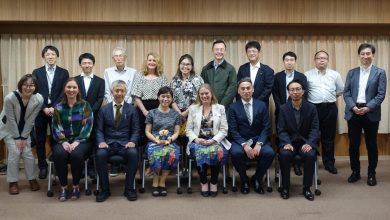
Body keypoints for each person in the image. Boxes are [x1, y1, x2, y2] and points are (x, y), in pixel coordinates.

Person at [343, 43, 387, 186]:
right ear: (359, 55)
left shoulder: (380, 72)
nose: (365, 56)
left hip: (371, 113)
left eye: (368, 54)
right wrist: (353, 106)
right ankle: (355, 172)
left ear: (373, 55)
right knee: (353, 145)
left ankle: (371, 173)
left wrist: (368, 107)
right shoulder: (352, 72)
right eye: (363, 54)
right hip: (353, 112)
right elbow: (347, 93)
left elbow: (381, 95)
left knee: (371, 145)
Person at [95, 80, 140, 202]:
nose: (119, 93)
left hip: (125, 144)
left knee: (133, 153)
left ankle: (129, 189)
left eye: (122, 91)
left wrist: (133, 141)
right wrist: (101, 142)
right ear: (111, 92)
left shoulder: (131, 109)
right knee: (99, 154)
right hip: (108, 144)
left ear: (126, 92)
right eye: (116, 90)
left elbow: (136, 130)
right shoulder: (104, 109)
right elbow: (98, 130)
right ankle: (104, 190)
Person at [228, 78, 275, 195]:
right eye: (242, 89)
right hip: (240, 141)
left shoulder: (262, 105)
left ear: (253, 89)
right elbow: (233, 130)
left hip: (258, 140)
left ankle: (257, 178)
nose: (246, 91)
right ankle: (244, 180)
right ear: (238, 91)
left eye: (248, 88)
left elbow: (266, 127)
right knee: (236, 153)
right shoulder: (233, 107)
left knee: (269, 153)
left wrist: (259, 144)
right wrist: (244, 145)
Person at [0, 74, 43, 194]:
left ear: (35, 87)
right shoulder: (10, 98)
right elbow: (11, 119)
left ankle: (32, 178)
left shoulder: (39, 99)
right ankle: (13, 181)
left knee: (27, 152)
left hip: (25, 129)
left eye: (31, 85)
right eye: (25, 85)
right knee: (14, 151)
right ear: (20, 85)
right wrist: (17, 138)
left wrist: (23, 137)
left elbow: (31, 120)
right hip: (8, 128)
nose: (28, 88)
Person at [52, 78, 93, 201]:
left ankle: (75, 186)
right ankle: (64, 187)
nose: (71, 90)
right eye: (69, 87)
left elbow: (88, 125)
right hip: (62, 140)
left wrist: (77, 141)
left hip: (82, 140)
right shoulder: (58, 107)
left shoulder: (85, 105)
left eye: (74, 87)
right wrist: (64, 141)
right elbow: (55, 126)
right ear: (64, 89)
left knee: (76, 155)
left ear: (78, 90)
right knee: (59, 154)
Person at [278, 79, 319, 201]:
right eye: (292, 90)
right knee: (284, 154)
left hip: (305, 142)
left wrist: (310, 143)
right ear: (289, 93)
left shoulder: (311, 108)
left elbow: (315, 128)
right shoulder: (283, 108)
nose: (295, 92)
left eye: (298, 89)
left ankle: (306, 188)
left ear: (303, 91)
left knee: (310, 155)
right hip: (289, 142)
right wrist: (286, 143)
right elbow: (281, 129)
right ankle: (285, 187)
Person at [186, 84, 230, 197]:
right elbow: (188, 130)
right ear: (199, 96)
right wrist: (196, 139)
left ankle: (214, 181)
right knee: (199, 152)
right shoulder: (193, 108)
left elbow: (224, 129)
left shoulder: (220, 108)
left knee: (217, 152)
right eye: (202, 94)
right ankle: (204, 181)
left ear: (211, 94)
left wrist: (213, 140)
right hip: (198, 140)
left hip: (215, 140)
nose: (204, 96)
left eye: (207, 93)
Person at [32, 45, 69, 179]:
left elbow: (64, 91)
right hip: (40, 110)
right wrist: (44, 107)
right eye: (48, 54)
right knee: (40, 139)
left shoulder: (63, 72)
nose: (51, 56)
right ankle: (43, 166)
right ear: (44, 57)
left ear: (57, 56)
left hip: (57, 110)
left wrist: (54, 107)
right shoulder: (37, 72)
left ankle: (57, 165)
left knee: (57, 138)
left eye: (53, 54)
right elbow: (34, 91)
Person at [305, 50, 344, 174]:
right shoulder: (307, 75)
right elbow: (304, 93)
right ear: (314, 60)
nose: (321, 60)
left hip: (330, 108)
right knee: (312, 136)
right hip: (313, 109)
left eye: (324, 58)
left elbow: (340, 91)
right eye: (318, 58)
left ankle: (329, 163)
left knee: (328, 137)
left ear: (328, 60)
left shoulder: (335, 75)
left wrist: (328, 99)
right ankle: (312, 162)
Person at [272, 51, 308, 176]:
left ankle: (297, 165)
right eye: (287, 60)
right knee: (281, 136)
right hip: (282, 112)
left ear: (295, 62)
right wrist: (282, 108)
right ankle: (281, 165)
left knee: (298, 136)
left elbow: (305, 93)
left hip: (298, 111)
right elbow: (275, 93)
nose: (289, 62)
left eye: (292, 60)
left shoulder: (301, 76)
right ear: (283, 62)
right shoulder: (277, 76)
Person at [170, 54, 204, 174]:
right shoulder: (174, 80)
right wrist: (180, 113)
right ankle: (180, 167)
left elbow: (200, 98)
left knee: (191, 140)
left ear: (192, 66)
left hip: (194, 114)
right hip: (177, 115)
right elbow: (171, 99)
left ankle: (190, 168)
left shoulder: (198, 79)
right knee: (179, 141)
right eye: (183, 64)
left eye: (188, 64)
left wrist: (186, 113)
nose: (185, 66)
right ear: (179, 65)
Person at [145, 86, 181, 197]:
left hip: (170, 142)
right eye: (163, 96)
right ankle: (155, 180)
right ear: (158, 97)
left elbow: (176, 132)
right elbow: (147, 131)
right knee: (155, 153)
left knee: (172, 153)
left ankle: (163, 180)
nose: (165, 99)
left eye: (168, 97)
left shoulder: (176, 114)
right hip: (154, 141)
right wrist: (156, 140)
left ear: (171, 99)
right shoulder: (151, 113)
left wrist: (169, 140)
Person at [74, 52, 105, 178]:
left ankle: (92, 168)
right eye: (84, 63)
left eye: (89, 63)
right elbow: (72, 97)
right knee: (80, 141)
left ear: (93, 65)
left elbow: (100, 98)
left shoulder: (100, 81)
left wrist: (90, 112)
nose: (87, 65)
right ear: (80, 65)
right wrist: (80, 112)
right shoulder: (74, 80)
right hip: (77, 117)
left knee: (93, 142)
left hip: (94, 116)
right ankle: (80, 168)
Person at [132, 53, 168, 149]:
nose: (151, 62)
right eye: (150, 60)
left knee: (157, 133)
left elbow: (165, 96)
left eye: (154, 60)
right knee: (142, 134)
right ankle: (143, 158)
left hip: (159, 108)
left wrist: (159, 111)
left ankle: (156, 155)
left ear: (157, 63)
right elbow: (136, 96)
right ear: (146, 62)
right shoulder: (139, 75)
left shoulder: (162, 77)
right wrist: (144, 111)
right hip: (142, 108)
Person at [201, 39, 237, 109]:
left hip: (225, 107)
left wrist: (221, 106)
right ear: (212, 51)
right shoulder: (206, 68)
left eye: (221, 49)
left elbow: (232, 89)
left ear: (225, 51)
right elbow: (203, 87)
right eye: (216, 49)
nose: (219, 52)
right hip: (208, 106)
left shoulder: (230, 69)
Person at [237, 40, 274, 107]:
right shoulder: (242, 69)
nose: (251, 53)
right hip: (244, 104)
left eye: (254, 51)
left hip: (261, 105)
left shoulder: (268, 70)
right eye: (249, 51)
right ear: (246, 53)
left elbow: (268, 89)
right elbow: (238, 86)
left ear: (259, 52)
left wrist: (256, 102)